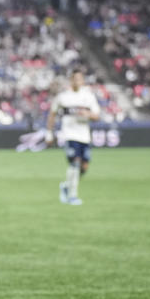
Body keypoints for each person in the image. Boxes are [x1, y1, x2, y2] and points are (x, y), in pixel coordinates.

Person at [46, 69, 100, 205]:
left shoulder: (88, 96)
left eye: (79, 79)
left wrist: (87, 114)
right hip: (70, 134)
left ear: (82, 81)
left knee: (84, 167)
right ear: (71, 80)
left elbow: (97, 116)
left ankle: (66, 186)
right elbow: (52, 113)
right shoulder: (63, 97)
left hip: (84, 136)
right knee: (75, 162)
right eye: (74, 79)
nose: (77, 81)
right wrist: (49, 133)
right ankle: (72, 195)